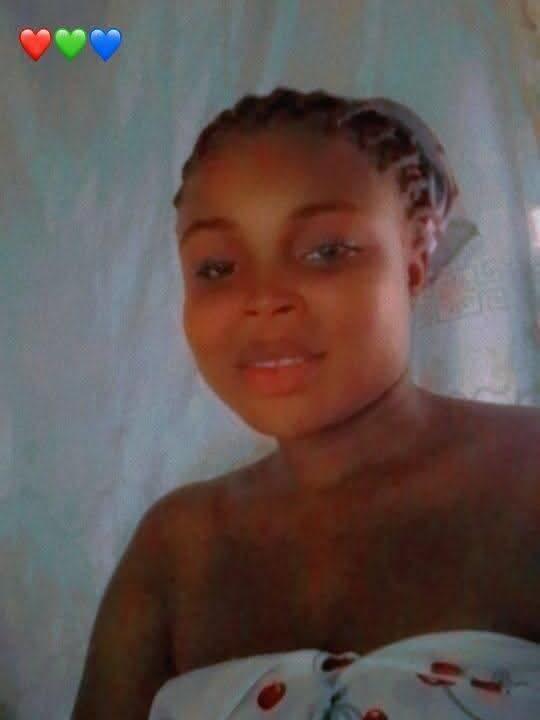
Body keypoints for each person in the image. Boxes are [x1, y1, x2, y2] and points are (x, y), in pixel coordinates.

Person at [71, 87, 540, 719]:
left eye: (326, 252)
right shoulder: (175, 550)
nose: (264, 299)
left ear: (415, 261)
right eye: (216, 267)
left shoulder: (529, 480)